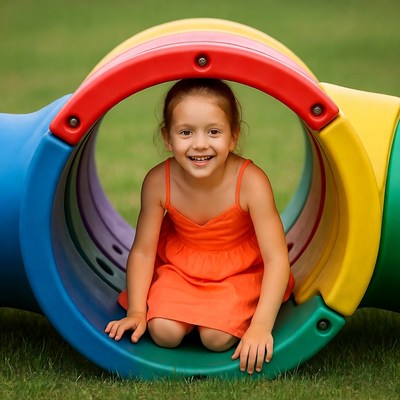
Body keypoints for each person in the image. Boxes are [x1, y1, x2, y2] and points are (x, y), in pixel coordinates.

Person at [105, 78, 295, 374]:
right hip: (181, 268)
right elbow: (143, 252)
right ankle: (187, 315)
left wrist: (260, 326)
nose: (200, 144)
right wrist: (137, 311)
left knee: (216, 337)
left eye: (214, 132)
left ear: (233, 137)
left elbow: (276, 258)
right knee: (163, 331)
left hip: (238, 271)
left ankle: (209, 319)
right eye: (185, 132)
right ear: (167, 138)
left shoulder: (251, 182)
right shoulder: (159, 182)